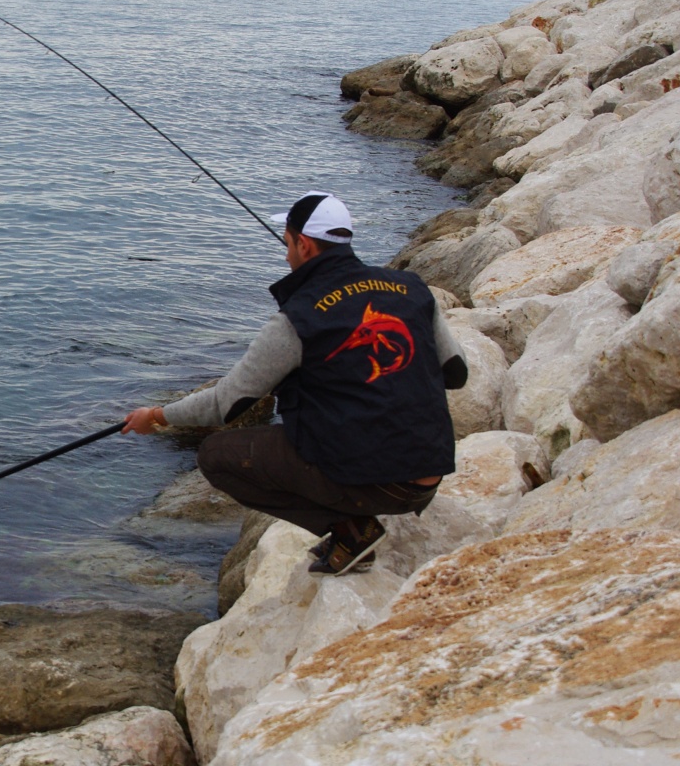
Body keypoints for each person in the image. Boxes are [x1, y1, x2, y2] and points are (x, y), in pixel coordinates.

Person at [122, 191, 467, 575]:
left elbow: (226, 403)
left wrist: (156, 416)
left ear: (303, 244)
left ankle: (351, 531)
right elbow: (456, 373)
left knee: (216, 456)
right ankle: (355, 519)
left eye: (287, 244)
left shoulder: (298, 317)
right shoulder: (413, 288)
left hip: (379, 484)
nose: (286, 255)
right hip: (427, 478)